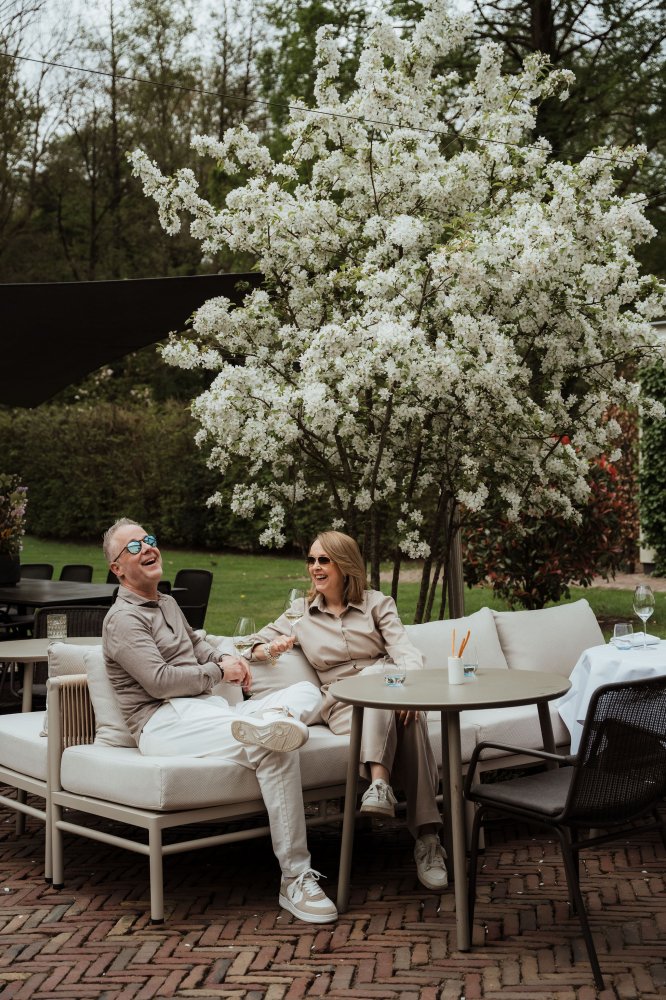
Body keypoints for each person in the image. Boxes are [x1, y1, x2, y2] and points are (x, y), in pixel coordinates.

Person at [101, 517, 337, 925]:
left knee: (306, 691)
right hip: (163, 723)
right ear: (117, 568)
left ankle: (276, 719)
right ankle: (295, 878)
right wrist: (219, 672)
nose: (148, 548)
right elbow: (159, 682)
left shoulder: (167, 603)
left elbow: (199, 646)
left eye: (149, 540)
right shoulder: (123, 619)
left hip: (210, 713)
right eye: (134, 547)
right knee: (273, 747)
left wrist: (225, 657)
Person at [246, 530, 448, 891]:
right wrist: (271, 649)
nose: (315, 567)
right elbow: (251, 644)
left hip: (390, 688)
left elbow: (404, 652)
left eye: (324, 560)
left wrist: (410, 690)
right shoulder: (299, 613)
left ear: (345, 565)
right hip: (343, 704)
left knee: (402, 708)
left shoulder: (377, 604)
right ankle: (427, 836)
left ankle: (384, 790)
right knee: (382, 687)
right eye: (311, 560)